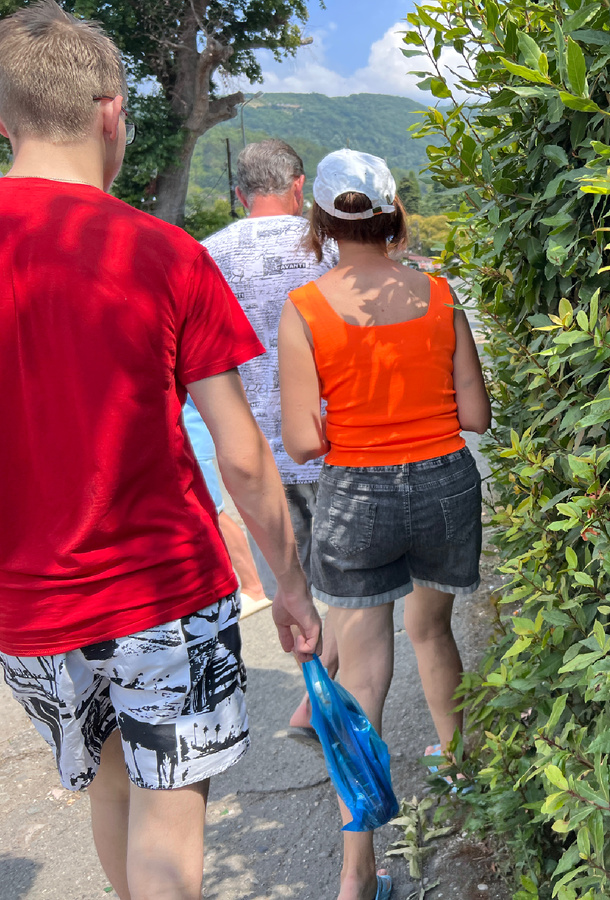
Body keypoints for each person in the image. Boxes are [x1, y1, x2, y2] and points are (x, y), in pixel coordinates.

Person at [0, 4, 322, 900]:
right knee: (170, 805)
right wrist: (289, 589)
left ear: (4, 119)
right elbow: (244, 458)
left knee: (109, 782)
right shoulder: (166, 253)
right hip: (160, 593)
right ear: (112, 112)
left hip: (25, 607)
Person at [278, 149, 490, 900]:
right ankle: (465, 772)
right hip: (443, 482)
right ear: (394, 210)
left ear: (322, 221)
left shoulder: (304, 307)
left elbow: (303, 442)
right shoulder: (439, 295)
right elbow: (476, 415)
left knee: (362, 677)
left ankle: (356, 873)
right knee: (433, 632)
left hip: (355, 495)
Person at [201, 139, 338, 738]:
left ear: (239, 194)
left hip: (251, 458)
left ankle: (318, 692)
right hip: (331, 443)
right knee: (355, 591)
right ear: (299, 186)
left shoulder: (206, 256)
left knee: (291, 587)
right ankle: (330, 703)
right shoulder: (329, 246)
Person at [182, 398, 272, 618]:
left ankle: (254, 586)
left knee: (213, 511)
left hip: (188, 438)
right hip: (188, 438)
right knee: (210, 512)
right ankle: (253, 585)